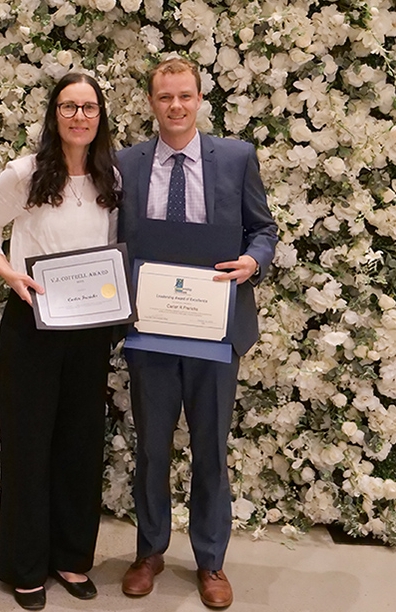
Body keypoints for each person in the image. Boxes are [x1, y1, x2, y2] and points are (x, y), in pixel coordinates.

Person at [116, 57, 278, 610]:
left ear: (200, 98)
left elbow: (263, 230)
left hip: (215, 330)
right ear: (150, 102)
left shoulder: (236, 158)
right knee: (151, 449)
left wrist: (252, 264)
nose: (176, 107)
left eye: (185, 96)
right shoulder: (126, 164)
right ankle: (150, 551)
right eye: (165, 98)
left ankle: (211, 560)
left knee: (210, 447)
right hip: (151, 332)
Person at [0, 72, 121, 611]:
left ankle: (72, 558)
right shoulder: (26, 172)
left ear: (101, 116)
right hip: (32, 323)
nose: (79, 116)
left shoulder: (111, 177)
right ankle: (23, 566)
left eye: (89, 107)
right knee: (29, 447)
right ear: (54, 115)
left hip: (91, 329)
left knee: (80, 446)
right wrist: (10, 274)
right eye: (68, 107)